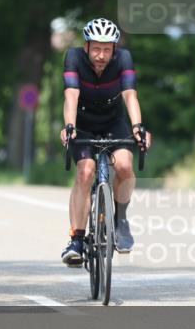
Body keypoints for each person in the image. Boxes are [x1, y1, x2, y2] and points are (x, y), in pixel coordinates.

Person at [58, 18, 151, 266]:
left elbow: (130, 95)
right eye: (96, 48)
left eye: (107, 49)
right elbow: (71, 95)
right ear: (86, 47)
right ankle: (76, 239)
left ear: (114, 50)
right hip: (83, 123)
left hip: (113, 123)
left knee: (124, 166)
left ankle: (120, 220)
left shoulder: (124, 60)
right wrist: (69, 125)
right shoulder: (74, 58)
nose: (101, 55)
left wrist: (138, 127)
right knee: (85, 171)